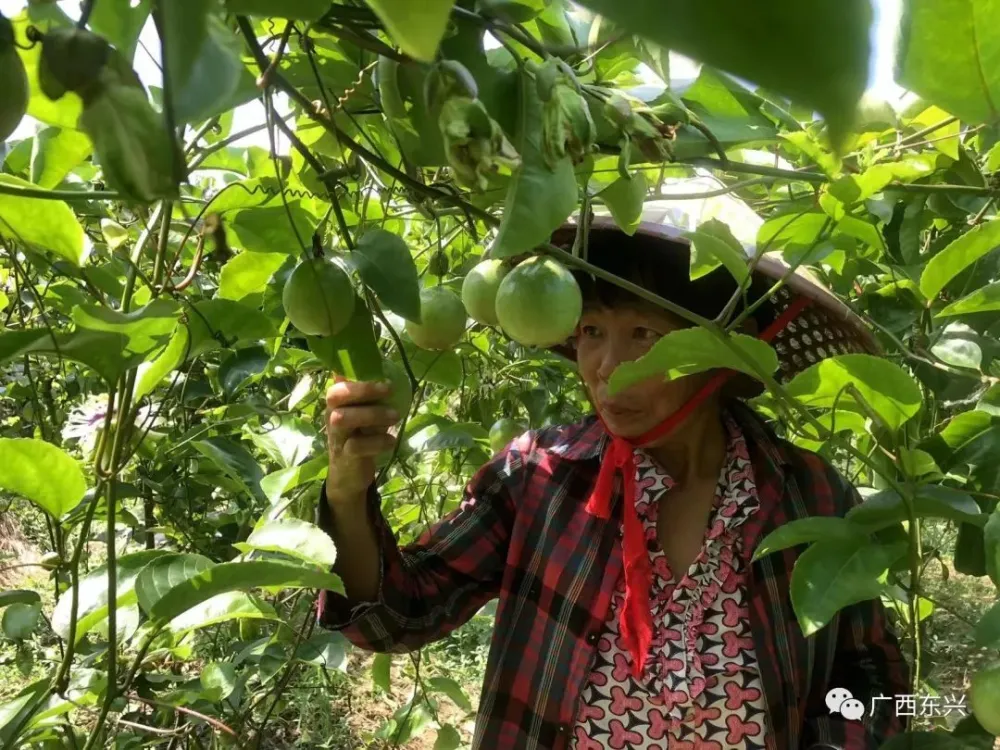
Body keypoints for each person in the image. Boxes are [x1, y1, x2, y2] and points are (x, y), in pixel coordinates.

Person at [315, 207, 910, 750]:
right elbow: (397, 613)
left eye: (644, 335)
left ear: (720, 353)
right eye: (592, 332)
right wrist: (347, 491)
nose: (604, 369)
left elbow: (875, 677)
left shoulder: (809, 497)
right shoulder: (542, 478)